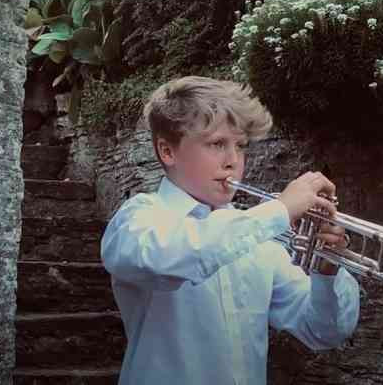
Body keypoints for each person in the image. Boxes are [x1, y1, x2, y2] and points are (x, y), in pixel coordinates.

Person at [101, 76, 360, 385]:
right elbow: (172, 256)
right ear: (167, 151)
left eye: (240, 146)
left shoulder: (258, 238)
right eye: (217, 144)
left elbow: (322, 332)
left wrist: (328, 269)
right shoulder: (139, 218)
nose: (233, 161)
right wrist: (279, 211)